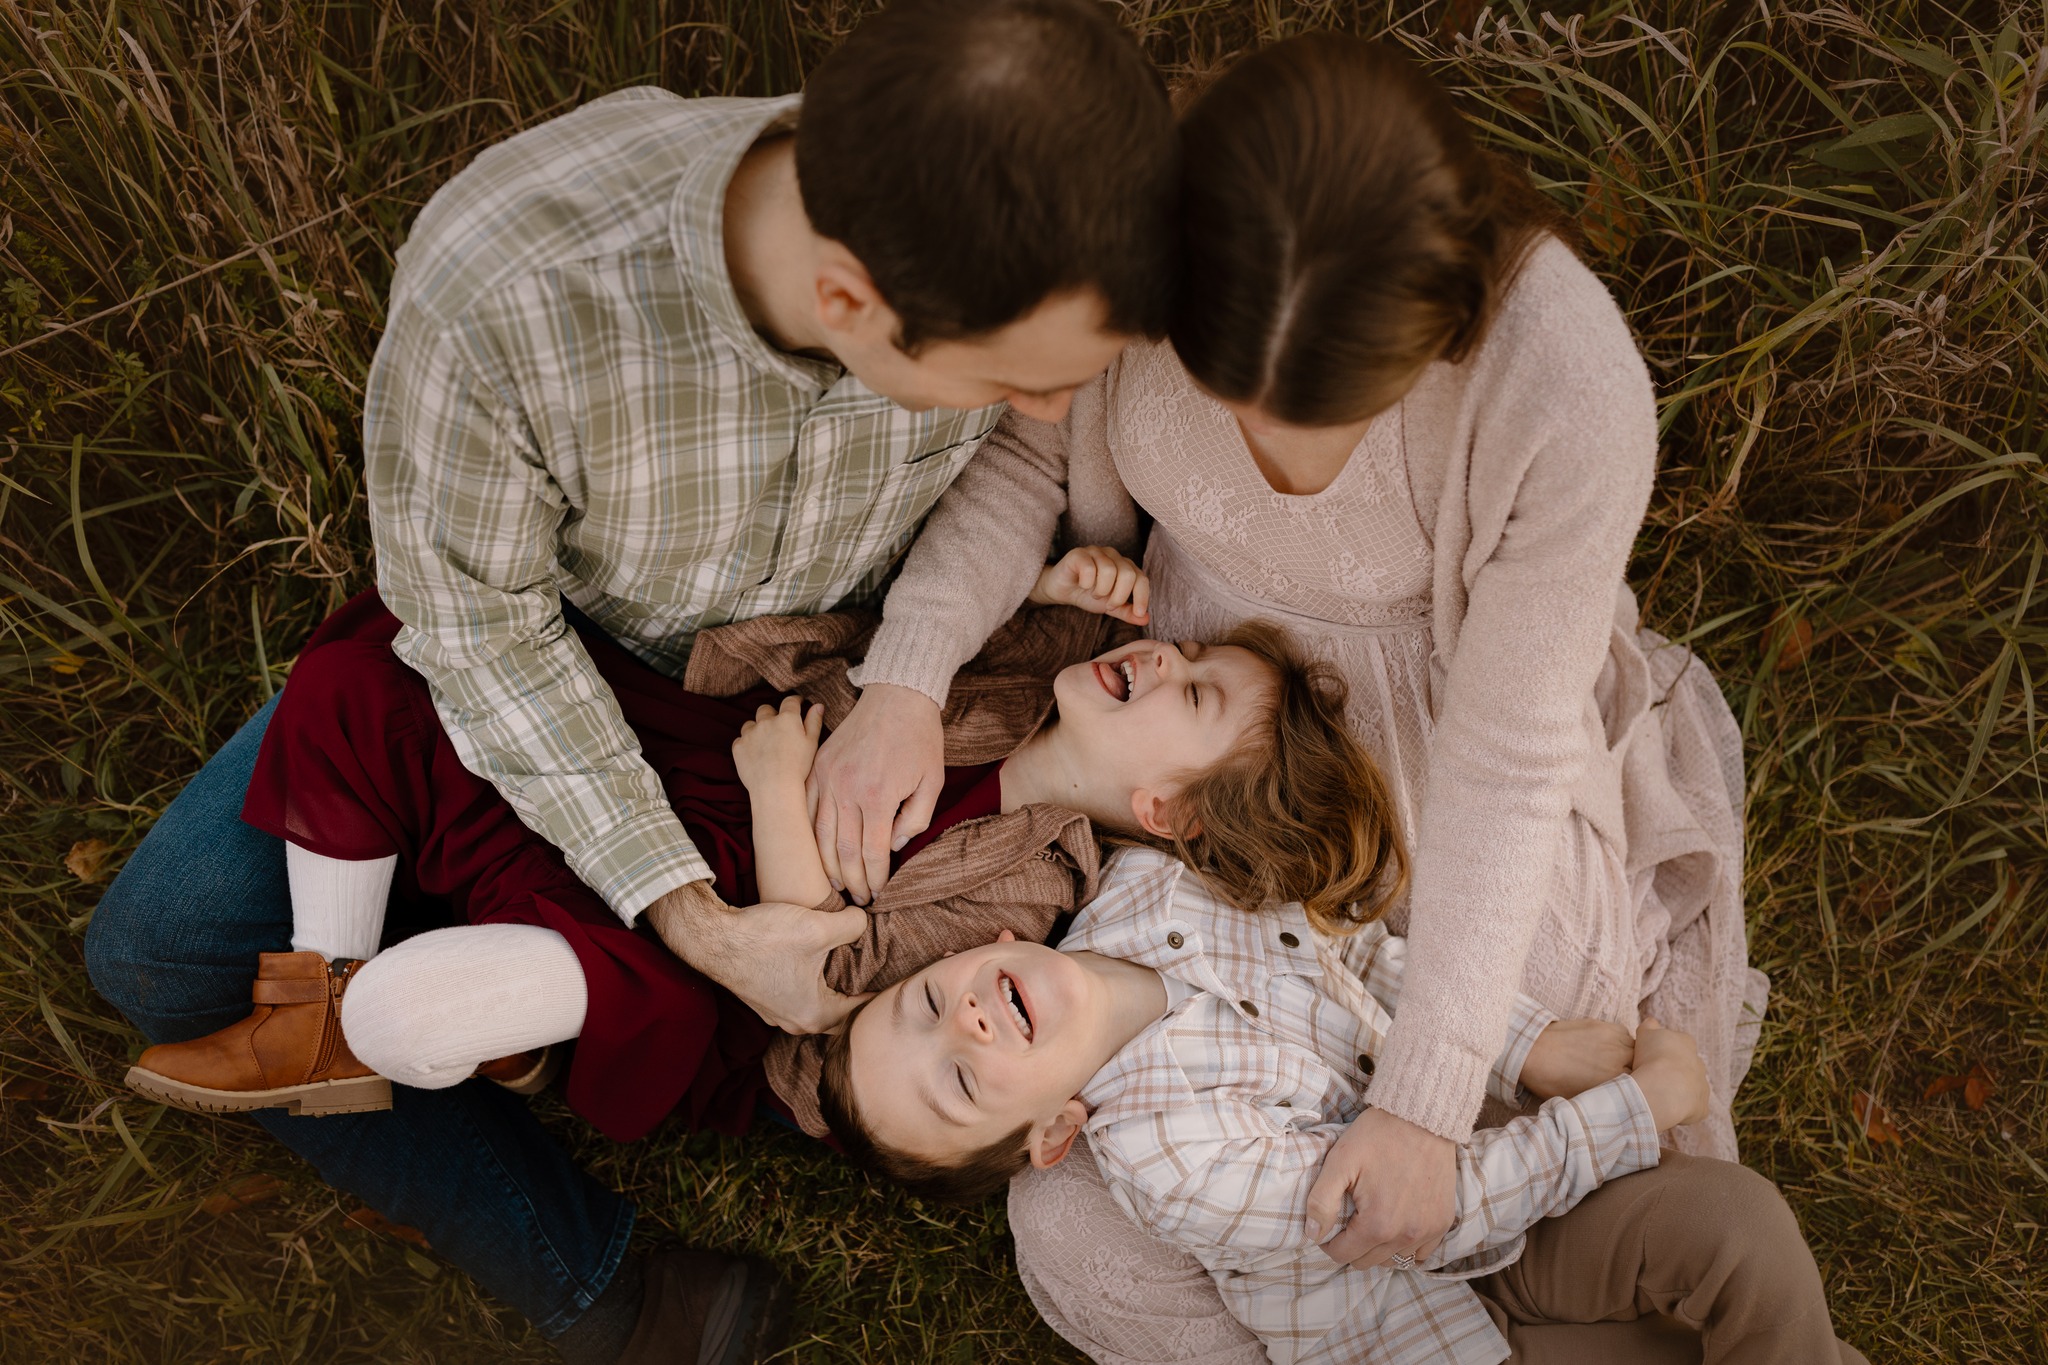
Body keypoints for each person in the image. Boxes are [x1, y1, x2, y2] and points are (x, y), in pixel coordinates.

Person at [84, 1, 1177, 1360]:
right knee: (160, 948)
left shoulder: (1002, 248)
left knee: (315, 947)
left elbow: (1020, 463)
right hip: (561, 666)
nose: (1060, 417)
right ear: (845, 302)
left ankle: (528, 1117)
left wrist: (903, 680)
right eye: (1016, 381)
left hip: (818, 689)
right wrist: (692, 917)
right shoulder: (513, 299)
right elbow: (478, 633)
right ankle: (561, 1211)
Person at [809, 33, 1768, 1358]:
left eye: (1315, 416)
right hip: (1212, 729)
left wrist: (1427, 1105)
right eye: (1221, 390)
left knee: (1509, 1034)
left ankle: (1523, 1283)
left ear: (1437, 336)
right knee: (1082, 1223)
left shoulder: (1563, 390)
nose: (1264, 454)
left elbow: (1504, 757)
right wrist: (906, 681)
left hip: (1454, 759)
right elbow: (1028, 465)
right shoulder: (1135, 239)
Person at [123, 554, 1396, 1157]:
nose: (1165, 657)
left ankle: (496, 1008)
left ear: (1163, 812)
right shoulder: (1041, 662)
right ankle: (322, 1000)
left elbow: (824, 972)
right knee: (381, 669)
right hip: (695, 760)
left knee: (647, 976)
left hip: (744, 882)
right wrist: (1079, 565)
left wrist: (781, 792)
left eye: (1190, 698)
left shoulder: (1034, 878)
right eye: (1191, 652)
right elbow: (973, 589)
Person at [818, 847, 1865, 1365]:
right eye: (959, 1082)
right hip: (1436, 1316)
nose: (966, 1026)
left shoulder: (1150, 884)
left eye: (924, 1005)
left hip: (1505, 1170)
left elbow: (1362, 953)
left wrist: (1526, 1043)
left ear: (988, 945)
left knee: (1736, 1229)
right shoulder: (1162, 1161)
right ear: (1051, 1134)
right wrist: (1634, 1110)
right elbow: (1417, 1213)